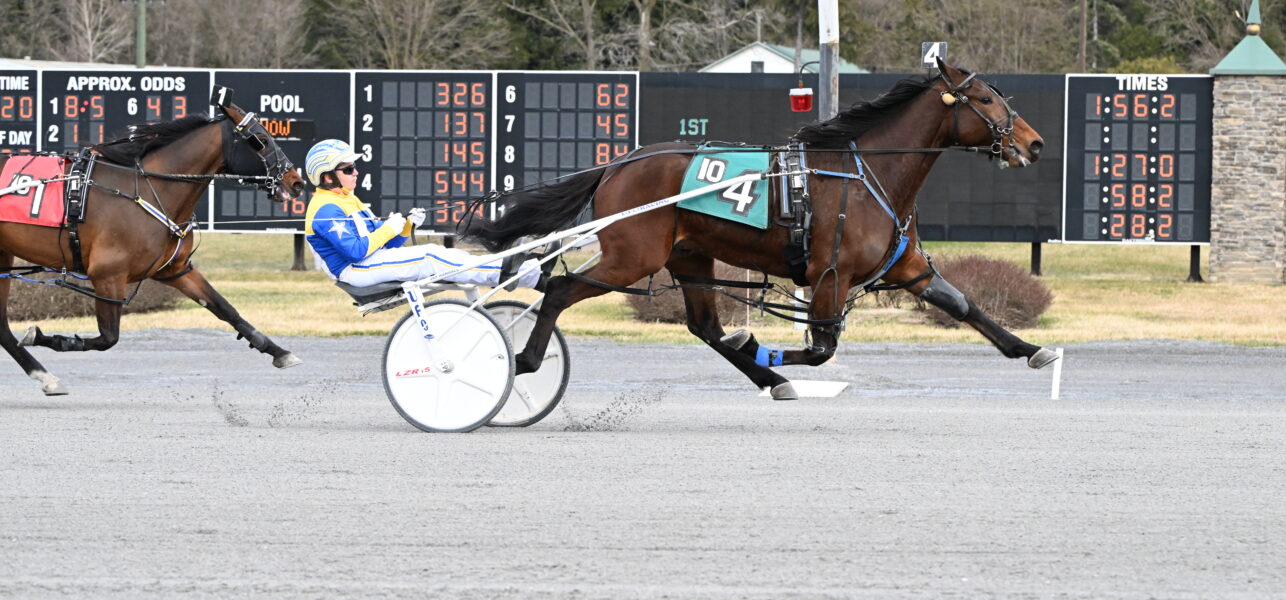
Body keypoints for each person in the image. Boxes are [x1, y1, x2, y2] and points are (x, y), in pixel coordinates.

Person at [302, 139, 542, 289]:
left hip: (367, 262)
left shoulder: (347, 198)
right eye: (349, 169)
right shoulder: (326, 207)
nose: (356, 172)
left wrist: (405, 227)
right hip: (354, 270)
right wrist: (389, 228)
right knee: (431, 257)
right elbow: (356, 251)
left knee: (444, 254)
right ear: (327, 176)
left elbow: (385, 243)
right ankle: (522, 273)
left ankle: (525, 270)